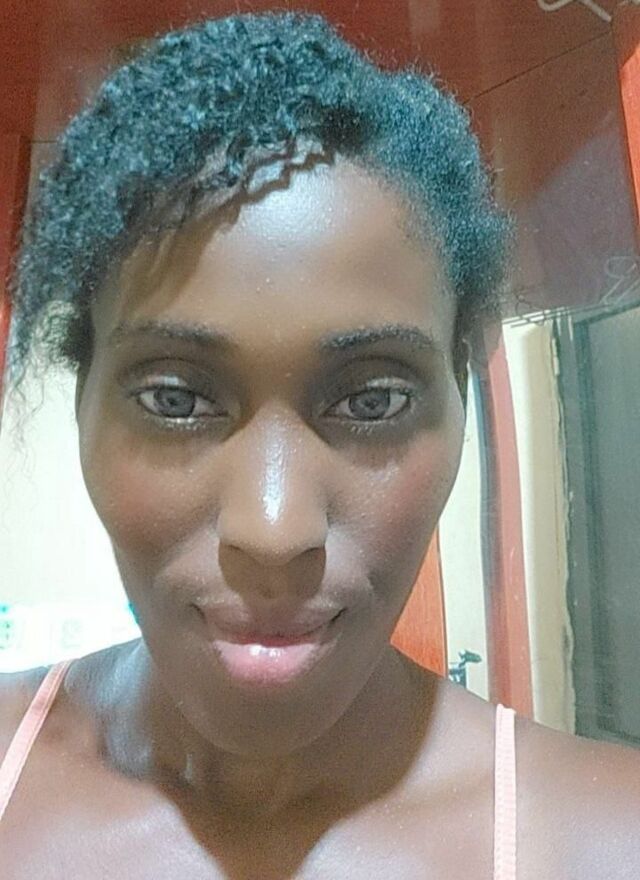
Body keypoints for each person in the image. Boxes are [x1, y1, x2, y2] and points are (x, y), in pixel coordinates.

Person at [1, 11, 639, 878]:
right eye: (175, 398)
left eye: (373, 400)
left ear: (458, 397)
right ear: (85, 406)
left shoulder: (609, 841)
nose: (274, 531)